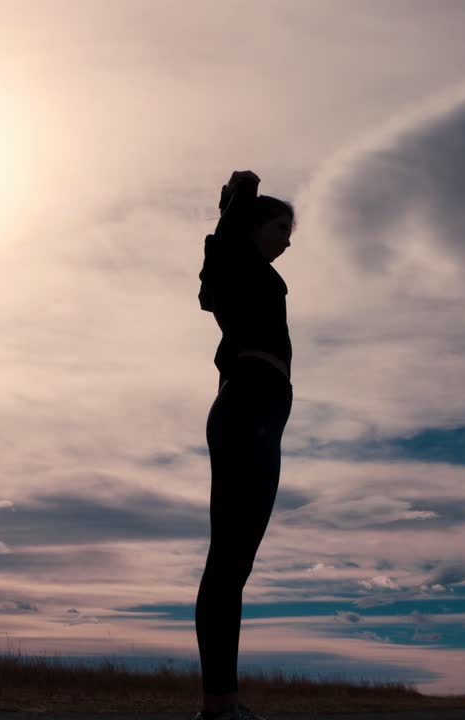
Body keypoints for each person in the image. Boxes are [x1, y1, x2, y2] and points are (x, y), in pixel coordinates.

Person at [193, 170, 295, 720]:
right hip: (248, 408)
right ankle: (220, 706)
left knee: (235, 563)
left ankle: (222, 703)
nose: (287, 240)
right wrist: (240, 194)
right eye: (281, 227)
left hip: (258, 413)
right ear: (255, 226)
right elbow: (221, 255)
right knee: (229, 562)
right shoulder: (238, 261)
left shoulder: (246, 271)